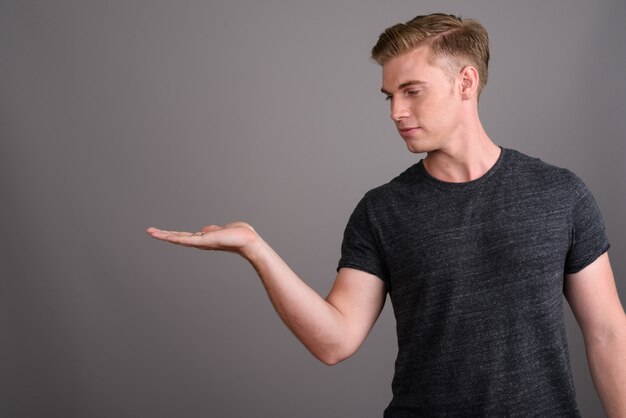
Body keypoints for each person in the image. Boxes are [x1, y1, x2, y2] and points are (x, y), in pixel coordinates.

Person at [147, 13, 626, 417]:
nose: (396, 111)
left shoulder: (559, 193)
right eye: (389, 95)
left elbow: (607, 332)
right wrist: (256, 248)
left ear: (465, 82)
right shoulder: (382, 210)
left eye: (411, 91)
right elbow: (334, 341)